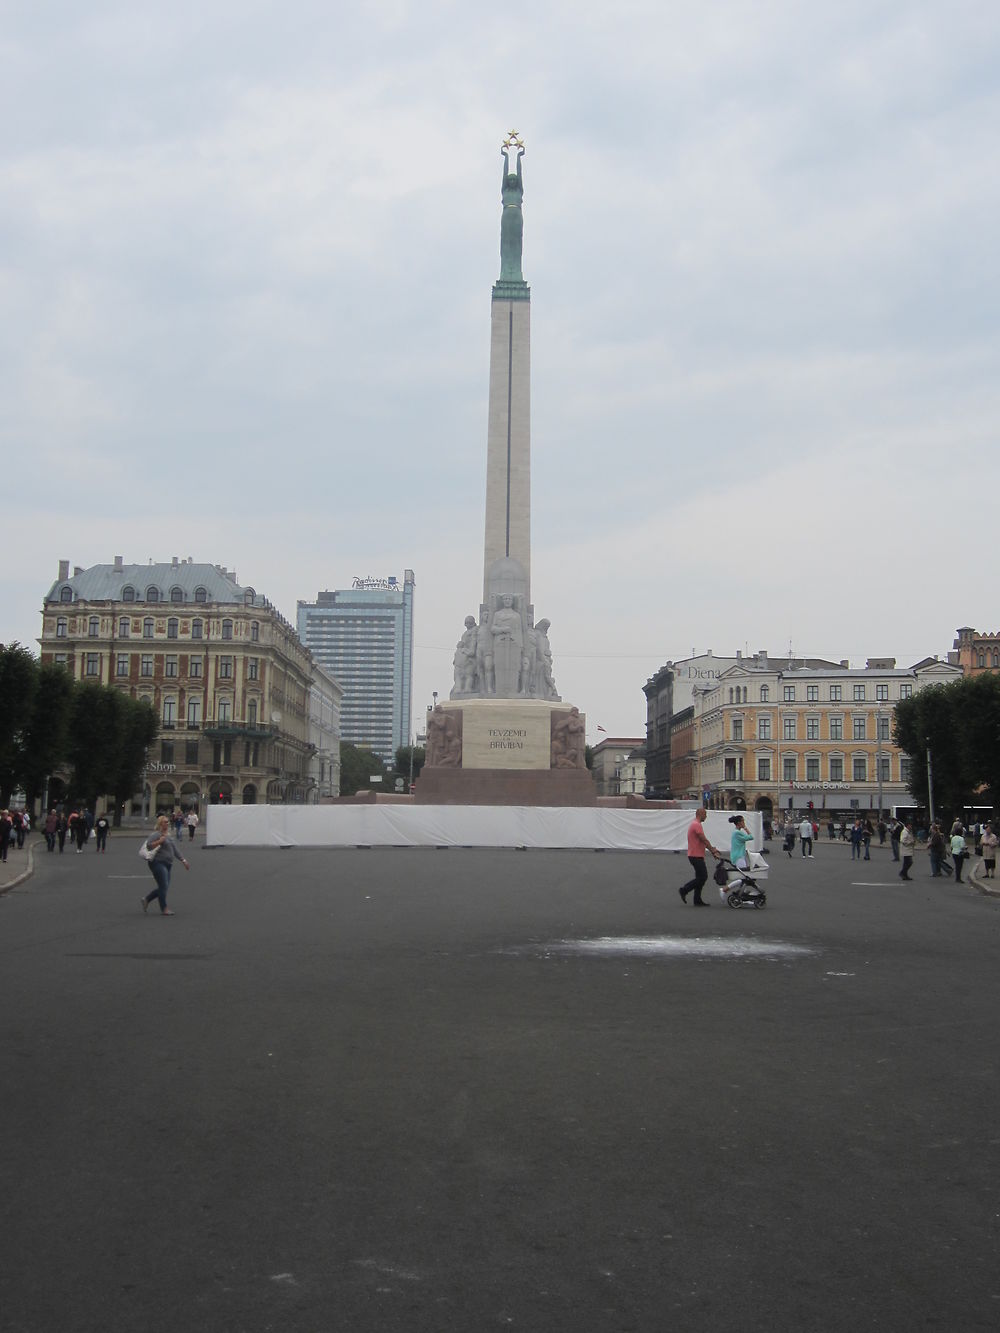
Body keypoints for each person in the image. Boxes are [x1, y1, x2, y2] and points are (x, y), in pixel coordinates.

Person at [140, 815, 190, 916]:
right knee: (164, 885)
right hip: (157, 863)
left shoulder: (168, 835)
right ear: (160, 824)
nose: (167, 823)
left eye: (168, 822)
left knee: (164, 887)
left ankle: (147, 899)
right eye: (165, 822)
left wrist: (183, 860)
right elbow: (148, 846)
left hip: (168, 864)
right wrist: (159, 841)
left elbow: (174, 850)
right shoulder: (156, 834)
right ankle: (164, 908)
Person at [679, 808, 722, 907]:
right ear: (700, 814)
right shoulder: (696, 825)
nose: (706, 816)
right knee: (703, 877)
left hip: (695, 855)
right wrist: (713, 851)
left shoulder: (695, 824)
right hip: (695, 855)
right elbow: (704, 840)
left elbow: (703, 841)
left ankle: (697, 899)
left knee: (700, 877)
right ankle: (684, 889)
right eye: (705, 814)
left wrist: (712, 851)